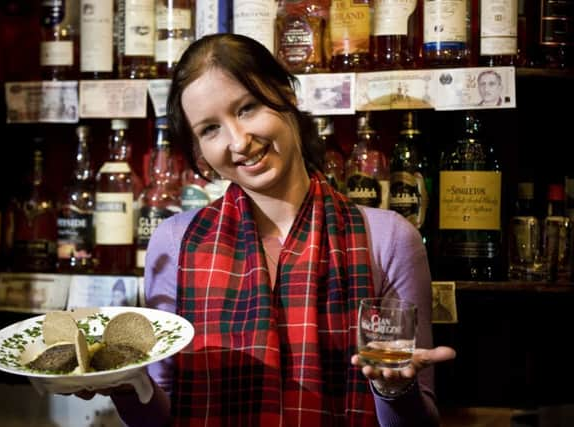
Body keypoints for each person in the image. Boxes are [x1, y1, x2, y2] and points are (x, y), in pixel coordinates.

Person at [77, 33, 455, 426]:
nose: (238, 141)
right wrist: (123, 382)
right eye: (210, 129)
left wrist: (394, 388)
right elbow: (159, 418)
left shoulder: (389, 239)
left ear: (286, 94)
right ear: (198, 149)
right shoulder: (174, 242)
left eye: (247, 108)